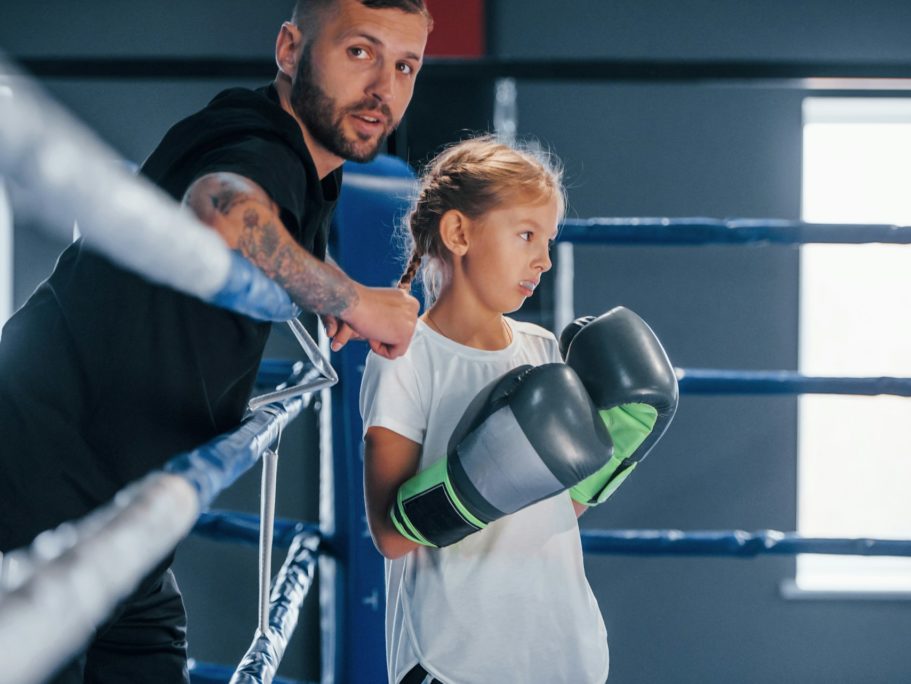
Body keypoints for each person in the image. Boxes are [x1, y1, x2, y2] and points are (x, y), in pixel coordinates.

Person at [0, 1, 430, 682]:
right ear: (290, 50)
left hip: (109, 497)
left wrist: (327, 282)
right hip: (37, 482)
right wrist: (355, 303)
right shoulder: (260, 142)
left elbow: (272, 221)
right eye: (359, 52)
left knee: (151, 647)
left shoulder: (298, 156)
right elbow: (222, 208)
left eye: (405, 65)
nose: (384, 87)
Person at [359, 137, 611, 684]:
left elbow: (552, 510)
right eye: (526, 235)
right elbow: (391, 535)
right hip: (455, 659)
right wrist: (481, 478)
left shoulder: (541, 348)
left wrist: (611, 455)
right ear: (459, 234)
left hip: (559, 650)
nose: (543, 259)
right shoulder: (405, 357)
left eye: (547, 240)